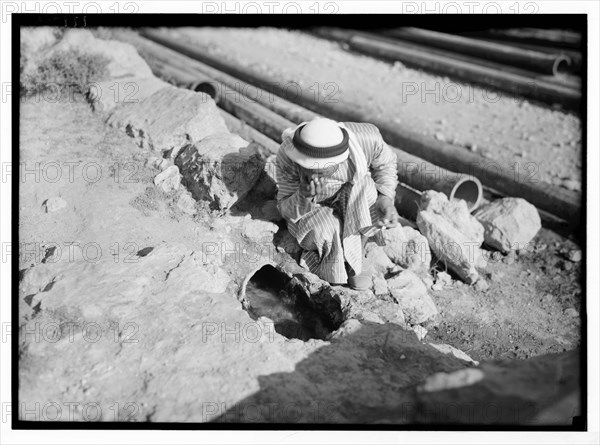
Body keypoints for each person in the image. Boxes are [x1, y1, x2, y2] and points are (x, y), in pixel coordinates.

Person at [276, 118, 399, 290]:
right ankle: (332, 262)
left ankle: (358, 254)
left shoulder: (367, 140)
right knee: (325, 229)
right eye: (308, 166)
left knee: (366, 188)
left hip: (351, 197)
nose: (313, 173)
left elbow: (386, 165)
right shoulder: (287, 156)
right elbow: (285, 208)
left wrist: (385, 196)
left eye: (321, 169)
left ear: (341, 159)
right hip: (315, 207)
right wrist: (303, 196)